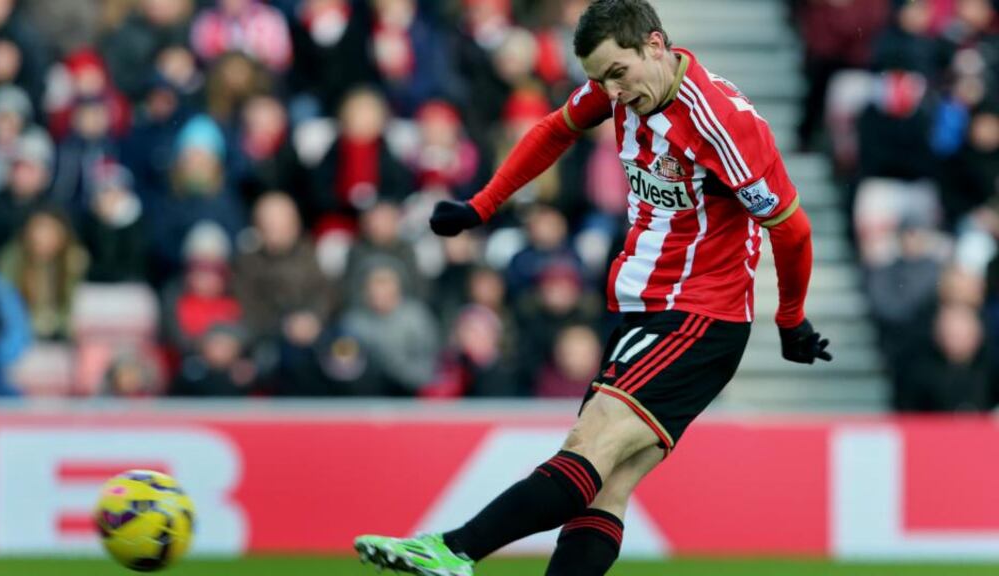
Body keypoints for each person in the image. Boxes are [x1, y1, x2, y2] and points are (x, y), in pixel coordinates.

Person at [354, 1, 832, 575]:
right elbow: (554, 129)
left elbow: (792, 228)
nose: (611, 90)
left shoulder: (722, 123)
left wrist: (791, 318)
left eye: (618, 74)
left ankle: (454, 549)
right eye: (599, 79)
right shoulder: (619, 90)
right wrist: (482, 206)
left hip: (699, 317)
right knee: (606, 485)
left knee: (589, 449)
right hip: (645, 310)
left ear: (654, 46)